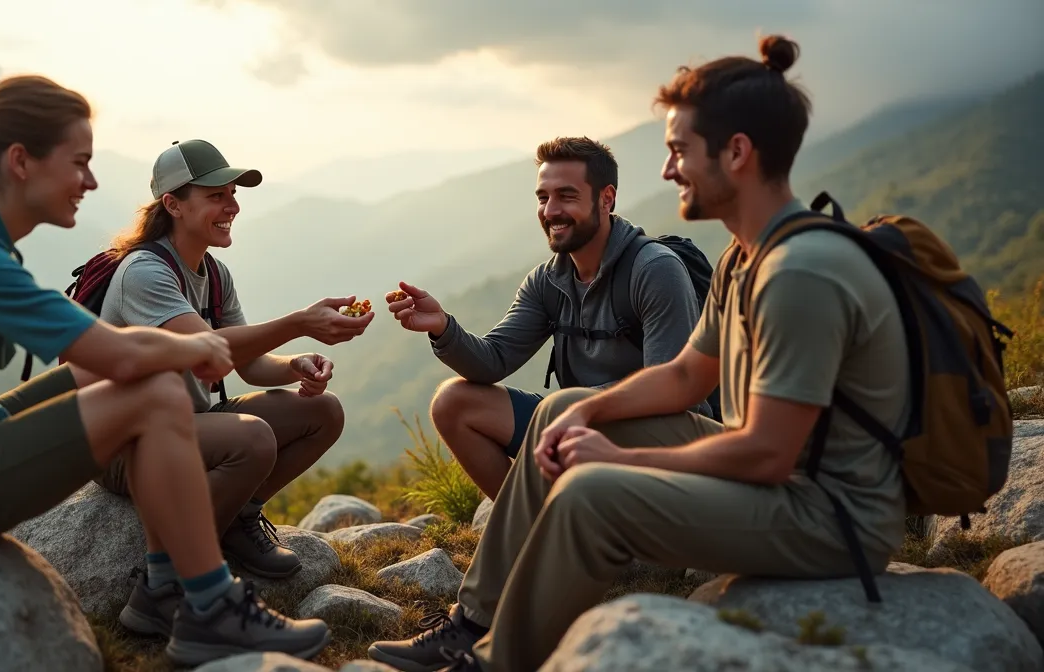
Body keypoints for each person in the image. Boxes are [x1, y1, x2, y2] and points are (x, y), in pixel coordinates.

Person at [367, 35, 911, 672]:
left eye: (680, 151)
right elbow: (682, 377)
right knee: (558, 409)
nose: (668, 170)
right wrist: (578, 417)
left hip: (831, 517)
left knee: (590, 492)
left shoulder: (799, 274)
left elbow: (767, 452)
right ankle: (476, 622)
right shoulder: (746, 257)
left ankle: (497, 661)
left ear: (737, 153)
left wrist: (613, 459)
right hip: (787, 489)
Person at [0, 75, 330, 667]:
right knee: (153, 388)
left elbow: (79, 369)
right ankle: (203, 603)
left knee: (142, 383)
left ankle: (172, 588)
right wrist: (200, 348)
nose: (92, 181)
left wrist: (2, 415)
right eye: (79, 162)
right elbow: (123, 355)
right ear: (22, 161)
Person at [96, 138, 373, 633]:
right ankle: (161, 591)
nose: (233, 207)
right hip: (126, 444)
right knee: (252, 437)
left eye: (232, 194)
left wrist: (297, 365)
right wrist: (300, 322)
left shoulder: (215, 274)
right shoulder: (144, 273)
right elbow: (209, 354)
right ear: (173, 205)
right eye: (217, 196)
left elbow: (250, 365)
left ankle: (237, 517)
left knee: (323, 412)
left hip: (187, 426)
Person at [385, 136, 710, 500]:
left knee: (558, 405)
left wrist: (576, 407)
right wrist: (443, 327)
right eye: (543, 197)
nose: (550, 210)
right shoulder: (548, 281)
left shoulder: (654, 269)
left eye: (566, 196)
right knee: (452, 403)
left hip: (660, 438)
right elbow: (493, 361)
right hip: (573, 424)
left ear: (606, 198)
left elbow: (672, 392)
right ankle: (531, 524)